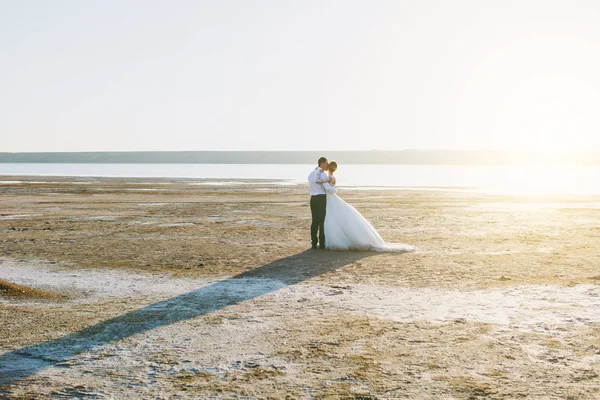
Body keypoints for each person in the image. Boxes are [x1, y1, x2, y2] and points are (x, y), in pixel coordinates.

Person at [322, 161, 416, 252]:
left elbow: (325, 185)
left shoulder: (329, 177)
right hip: (331, 198)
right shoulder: (333, 177)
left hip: (330, 198)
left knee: (332, 217)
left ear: (329, 168)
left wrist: (319, 177)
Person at [307, 157, 337, 249]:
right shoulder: (322, 174)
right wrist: (335, 189)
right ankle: (322, 243)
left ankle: (313, 243)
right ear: (322, 163)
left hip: (313, 198)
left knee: (314, 221)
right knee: (322, 221)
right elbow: (327, 187)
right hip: (321, 198)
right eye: (326, 163)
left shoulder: (311, 174)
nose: (327, 165)